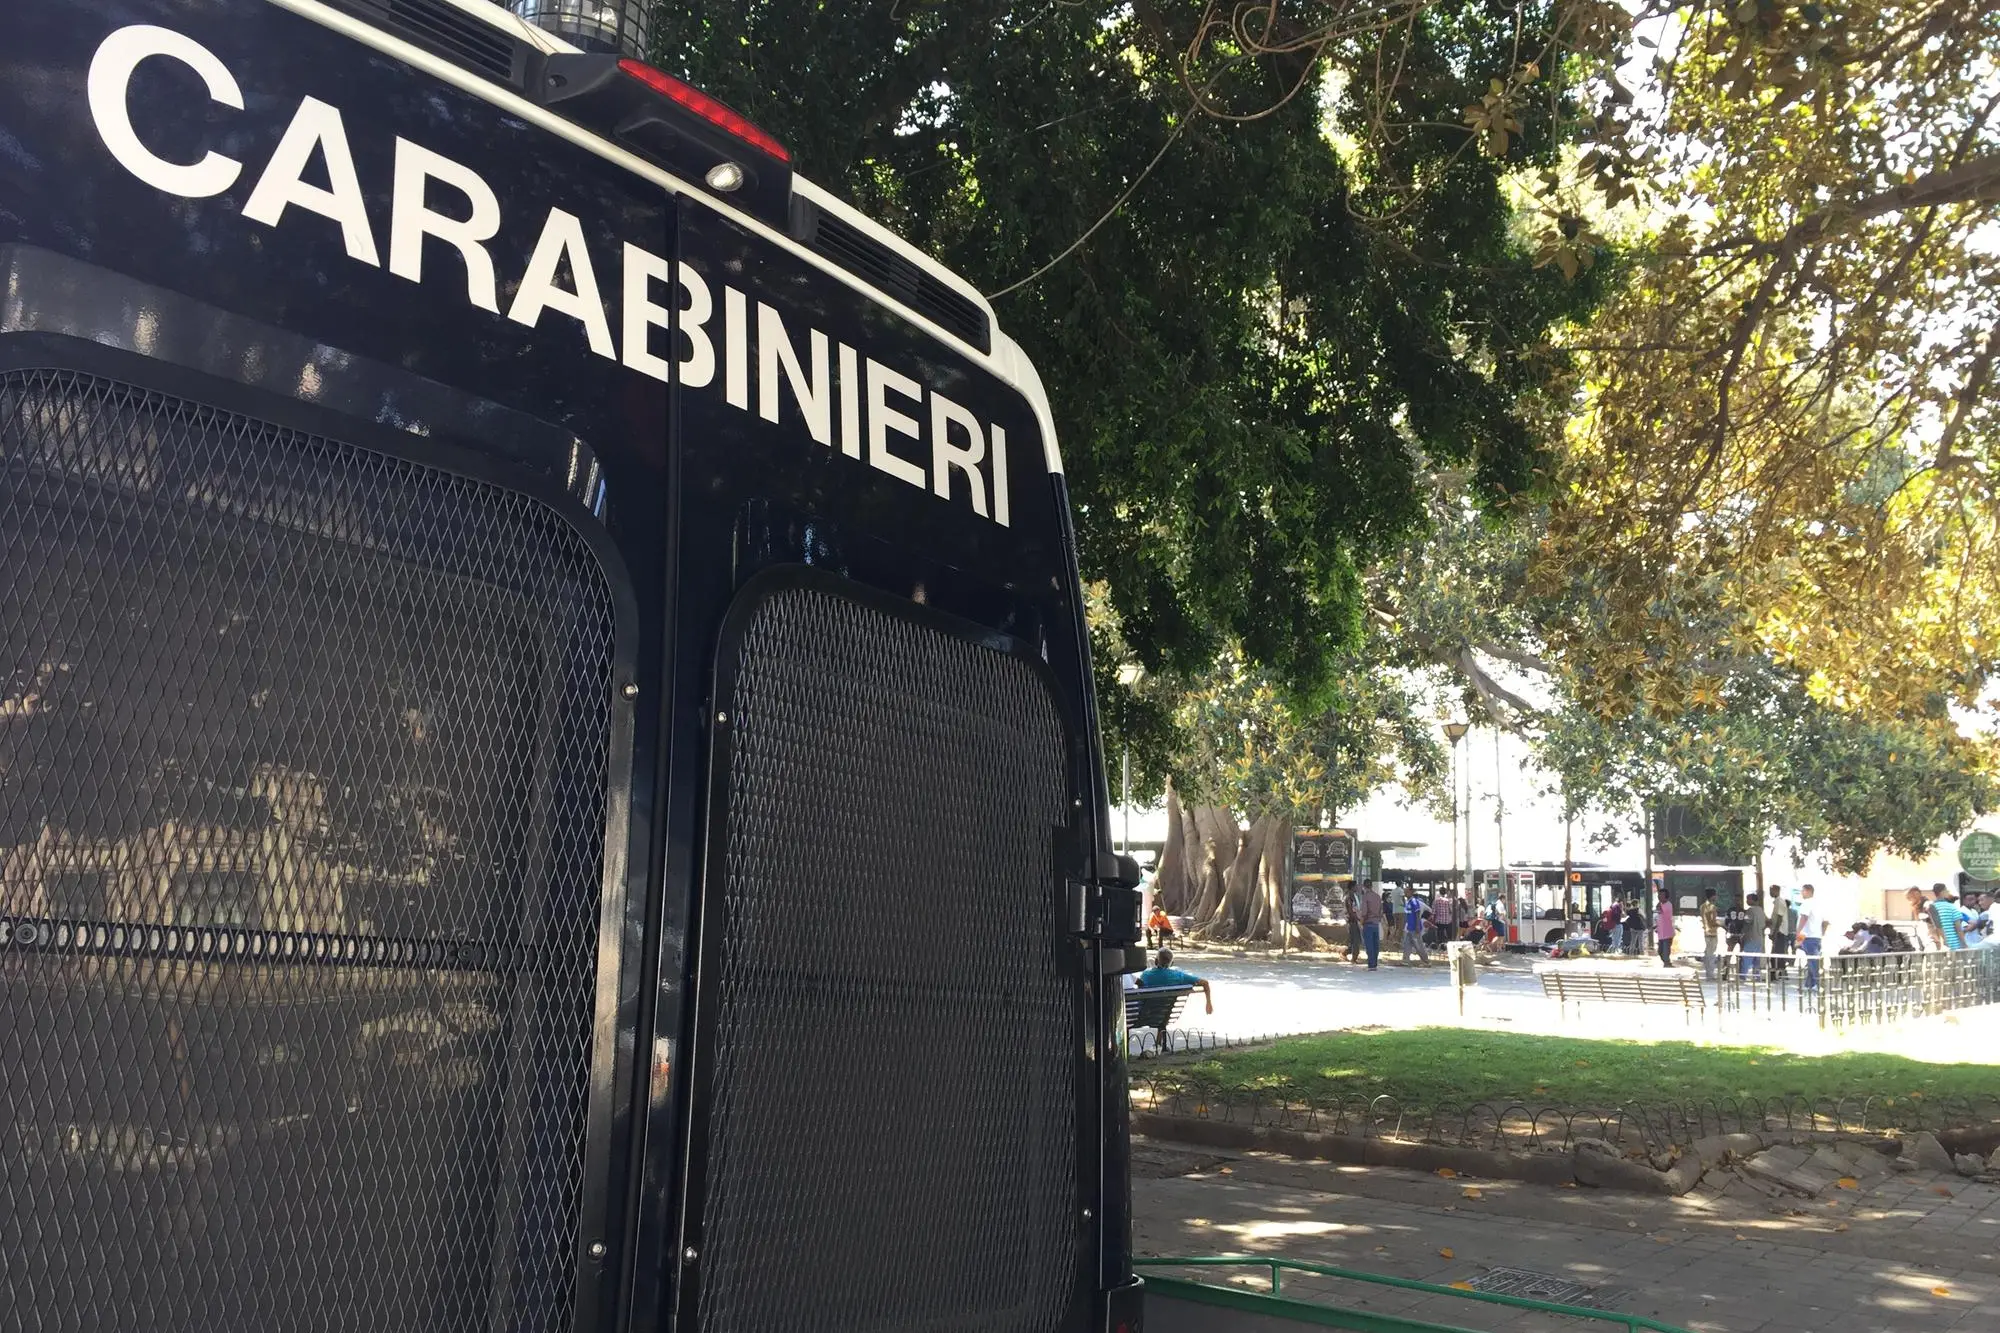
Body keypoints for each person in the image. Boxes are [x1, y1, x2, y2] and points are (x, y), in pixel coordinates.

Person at [1136, 948, 1213, 1014]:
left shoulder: (1145, 975)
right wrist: (1208, 1003)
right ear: (1172, 963)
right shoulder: (1178, 976)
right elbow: (1205, 983)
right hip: (1164, 1013)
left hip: (1145, 1012)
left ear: (1156, 961)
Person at [1928, 884, 1968, 950]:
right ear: (1942, 892)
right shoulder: (1952, 907)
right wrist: (1965, 944)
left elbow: (1933, 928)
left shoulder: (1931, 908)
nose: (1948, 892)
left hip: (1941, 946)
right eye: (1946, 890)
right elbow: (1958, 929)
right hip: (1955, 945)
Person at [1358, 879, 1386, 970]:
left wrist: (1361, 922)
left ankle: (1371, 964)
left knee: (1369, 944)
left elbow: (1364, 912)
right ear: (1371, 886)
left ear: (1364, 886)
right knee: (1375, 944)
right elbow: (1381, 911)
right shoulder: (1377, 897)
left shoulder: (1365, 897)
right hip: (1376, 923)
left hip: (1368, 923)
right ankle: (1375, 963)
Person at [1740, 892, 1767, 979]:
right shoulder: (1761, 910)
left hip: (1751, 937)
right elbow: (1767, 922)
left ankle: (1742, 976)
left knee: (1746, 958)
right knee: (1757, 960)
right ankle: (1757, 976)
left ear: (1753, 900)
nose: (1746, 901)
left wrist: (1742, 933)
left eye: (1748, 899)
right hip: (1759, 938)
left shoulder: (1750, 910)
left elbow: (1746, 921)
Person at [1402, 888, 1431, 965]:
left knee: (1418, 945)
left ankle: (1426, 961)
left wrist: (1418, 925)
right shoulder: (1407, 902)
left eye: (1406, 892)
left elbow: (1417, 913)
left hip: (1414, 927)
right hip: (1409, 927)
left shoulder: (1414, 901)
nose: (1405, 894)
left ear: (1411, 892)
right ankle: (1405, 960)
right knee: (1407, 944)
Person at [1699, 888, 1720, 979]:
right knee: (1711, 954)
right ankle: (1710, 974)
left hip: (1706, 931)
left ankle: (1708, 973)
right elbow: (1713, 921)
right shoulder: (1712, 907)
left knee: (1707, 953)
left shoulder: (1702, 906)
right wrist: (1723, 925)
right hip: (1712, 932)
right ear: (1713, 896)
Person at [1655, 893, 1676, 966]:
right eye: (1658, 896)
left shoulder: (1668, 905)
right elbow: (1660, 918)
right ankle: (1666, 962)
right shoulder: (1661, 905)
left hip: (1668, 932)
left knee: (1665, 949)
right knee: (1660, 951)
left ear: (1666, 898)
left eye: (1661, 896)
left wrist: (1659, 905)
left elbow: (1660, 910)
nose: (1659, 897)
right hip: (1661, 933)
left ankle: (1667, 962)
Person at [1342, 886, 1362, 962]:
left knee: (1354, 940)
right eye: (1355, 887)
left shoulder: (1354, 897)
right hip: (1352, 921)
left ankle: (1348, 954)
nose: (1356, 888)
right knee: (1356, 940)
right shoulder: (1349, 898)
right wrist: (1358, 919)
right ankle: (1353, 957)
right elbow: (1350, 911)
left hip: (1354, 921)